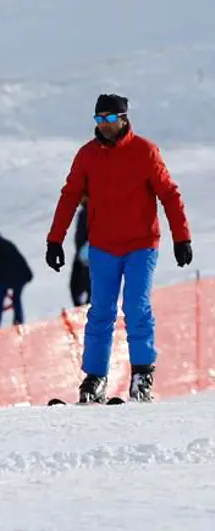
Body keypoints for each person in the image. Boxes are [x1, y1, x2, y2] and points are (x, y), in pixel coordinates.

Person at [45, 93, 192, 403]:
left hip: (141, 245)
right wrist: (55, 240)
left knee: (137, 307)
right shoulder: (87, 155)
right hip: (103, 246)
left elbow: (169, 194)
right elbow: (70, 196)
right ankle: (95, 378)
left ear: (124, 119)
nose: (104, 124)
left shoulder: (145, 151)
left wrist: (182, 238)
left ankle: (142, 375)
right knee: (101, 311)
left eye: (110, 118)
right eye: (99, 119)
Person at [69, 198, 91, 307]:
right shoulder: (84, 211)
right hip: (82, 253)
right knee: (76, 285)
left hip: (90, 253)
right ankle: (83, 308)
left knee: (87, 284)